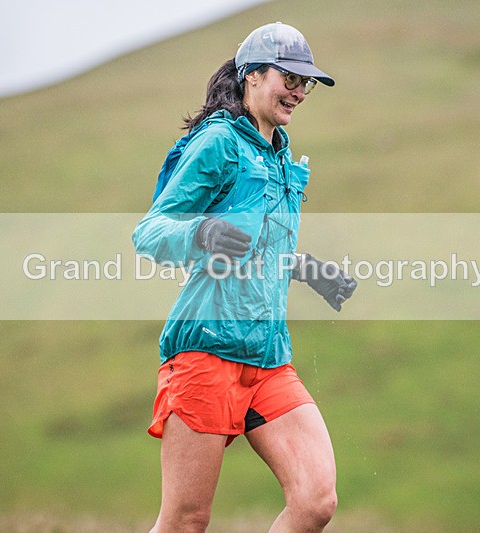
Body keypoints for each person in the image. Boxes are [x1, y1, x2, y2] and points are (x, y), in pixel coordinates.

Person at [132, 21, 357, 532]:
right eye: (290, 78)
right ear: (252, 75)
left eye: (307, 83)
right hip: (206, 351)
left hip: (268, 358)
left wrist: (310, 270)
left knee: (316, 500)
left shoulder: (280, 154)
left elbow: (264, 247)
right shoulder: (217, 144)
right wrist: (203, 234)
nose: (300, 91)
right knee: (186, 520)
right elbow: (149, 232)